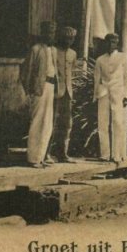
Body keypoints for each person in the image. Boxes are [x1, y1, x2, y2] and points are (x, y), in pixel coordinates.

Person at [20, 21, 58, 168]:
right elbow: (26, 72)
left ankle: (41, 157)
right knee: (37, 122)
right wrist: (29, 91)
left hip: (51, 87)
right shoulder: (35, 49)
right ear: (43, 33)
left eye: (53, 32)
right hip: (38, 89)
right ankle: (33, 158)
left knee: (47, 123)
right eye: (48, 32)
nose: (51, 35)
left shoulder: (53, 50)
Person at [94, 33, 127, 162]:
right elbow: (97, 79)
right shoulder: (100, 59)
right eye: (109, 42)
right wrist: (96, 95)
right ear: (105, 43)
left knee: (117, 122)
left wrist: (126, 95)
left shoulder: (123, 58)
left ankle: (117, 154)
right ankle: (104, 154)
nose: (111, 45)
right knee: (103, 123)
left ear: (117, 44)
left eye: (114, 42)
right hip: (104, 93)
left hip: (118, 94)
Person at [52, 26, 77, 162]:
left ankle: (62, 153)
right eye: (66, 38)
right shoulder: (54, 51)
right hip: (55, 91)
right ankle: (47, 153)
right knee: (52, 122)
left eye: (72, 39)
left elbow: (71, 71)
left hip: (68, 92)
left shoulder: (73, 54)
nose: (69, 41)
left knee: (66, 123)